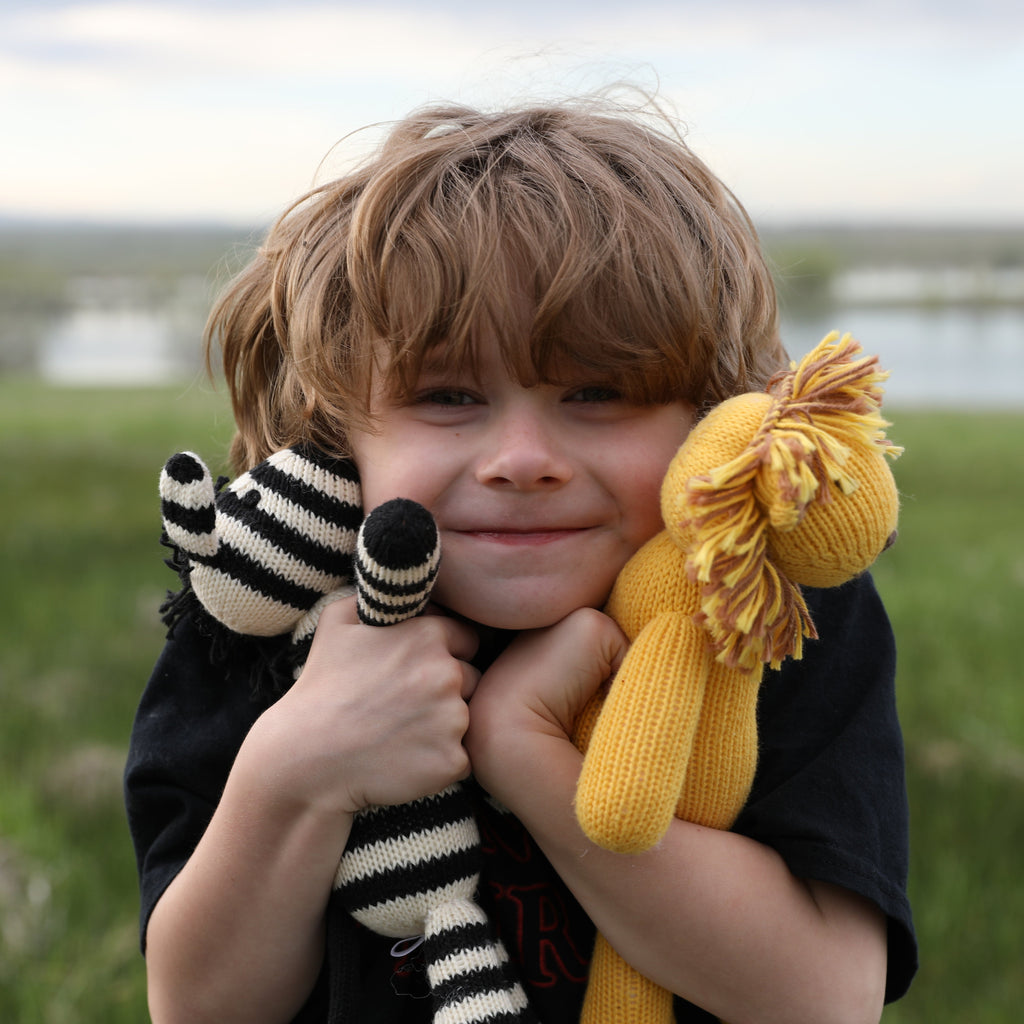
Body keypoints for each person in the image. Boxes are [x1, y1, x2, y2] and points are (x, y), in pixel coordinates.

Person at [124, 98, 917, 1024]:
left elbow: (826, 998)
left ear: (708, 410)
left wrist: (523, 751)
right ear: (340, 428)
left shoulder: (764, 614)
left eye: (598, 391)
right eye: (450, 394)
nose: (523, 457)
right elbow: (198, 1008)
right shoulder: (267, 622)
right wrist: (298, 767)